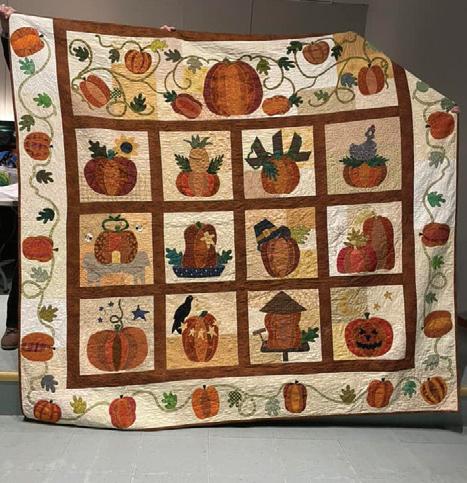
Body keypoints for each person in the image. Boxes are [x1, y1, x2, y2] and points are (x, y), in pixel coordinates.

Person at [0, 4, 174, 349]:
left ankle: (95, 321)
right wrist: (11, 35)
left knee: (104, 259)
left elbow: (152, 88)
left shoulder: (127, 102)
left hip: (112, 195)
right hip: (63, 184)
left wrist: (163, 48)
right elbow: (31, 77)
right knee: (40, 248)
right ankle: (18, 322)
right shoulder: (72, 93)